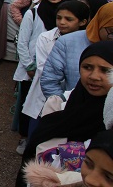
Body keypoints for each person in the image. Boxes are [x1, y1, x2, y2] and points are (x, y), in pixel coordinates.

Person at [16, 41, 113, 186]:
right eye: (87, 67)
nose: (94, 76)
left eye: (105, 70)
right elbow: (34, 155)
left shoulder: (110, 120)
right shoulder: (59, 104)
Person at [13, 0, 71, 152]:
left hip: (57, 71)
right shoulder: (34, 12)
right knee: (27, 104)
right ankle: (25, 138)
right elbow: (22, 41)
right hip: (31, 69)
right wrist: (30, 66)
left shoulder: (69, 15)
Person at [21, 1, 90, 147]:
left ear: (83, 22)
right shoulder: (46, 37)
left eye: (69, 19)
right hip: (49, 93)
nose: (62, 22)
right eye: (59, 18)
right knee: (41, 132)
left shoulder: (88, 43)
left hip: (73, 99)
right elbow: (44, 68)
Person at [41, 2, 113, 99]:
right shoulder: (67, 42)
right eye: (111, 32)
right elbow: (49, 81)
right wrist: (63, 105)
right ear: (100, 24)